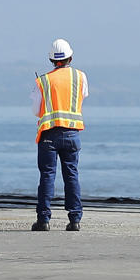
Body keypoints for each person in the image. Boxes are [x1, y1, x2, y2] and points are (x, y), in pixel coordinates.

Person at [32, 37, 87, 231]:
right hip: (72, 134)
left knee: (47, 176)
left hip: (48, 135)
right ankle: (75, 220)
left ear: (51, 60)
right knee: (71, 175)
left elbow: (36, 111)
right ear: (70, 57)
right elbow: (83, 96)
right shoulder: (80, 77)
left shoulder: (43, 81)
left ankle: (43, 220)